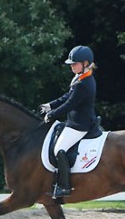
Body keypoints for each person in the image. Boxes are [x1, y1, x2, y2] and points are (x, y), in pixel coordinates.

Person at [40, 45, 97, 198]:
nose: (72, 66)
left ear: (85, 63)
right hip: (74, 121)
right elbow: (68, 96)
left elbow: (70, 104)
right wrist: (50, 105)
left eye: (75, 63)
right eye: (71, 64)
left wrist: (52, 114)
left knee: (59, 149)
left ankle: (64, 187)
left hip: (80, 124)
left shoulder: (83, 83)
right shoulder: (81, 77)